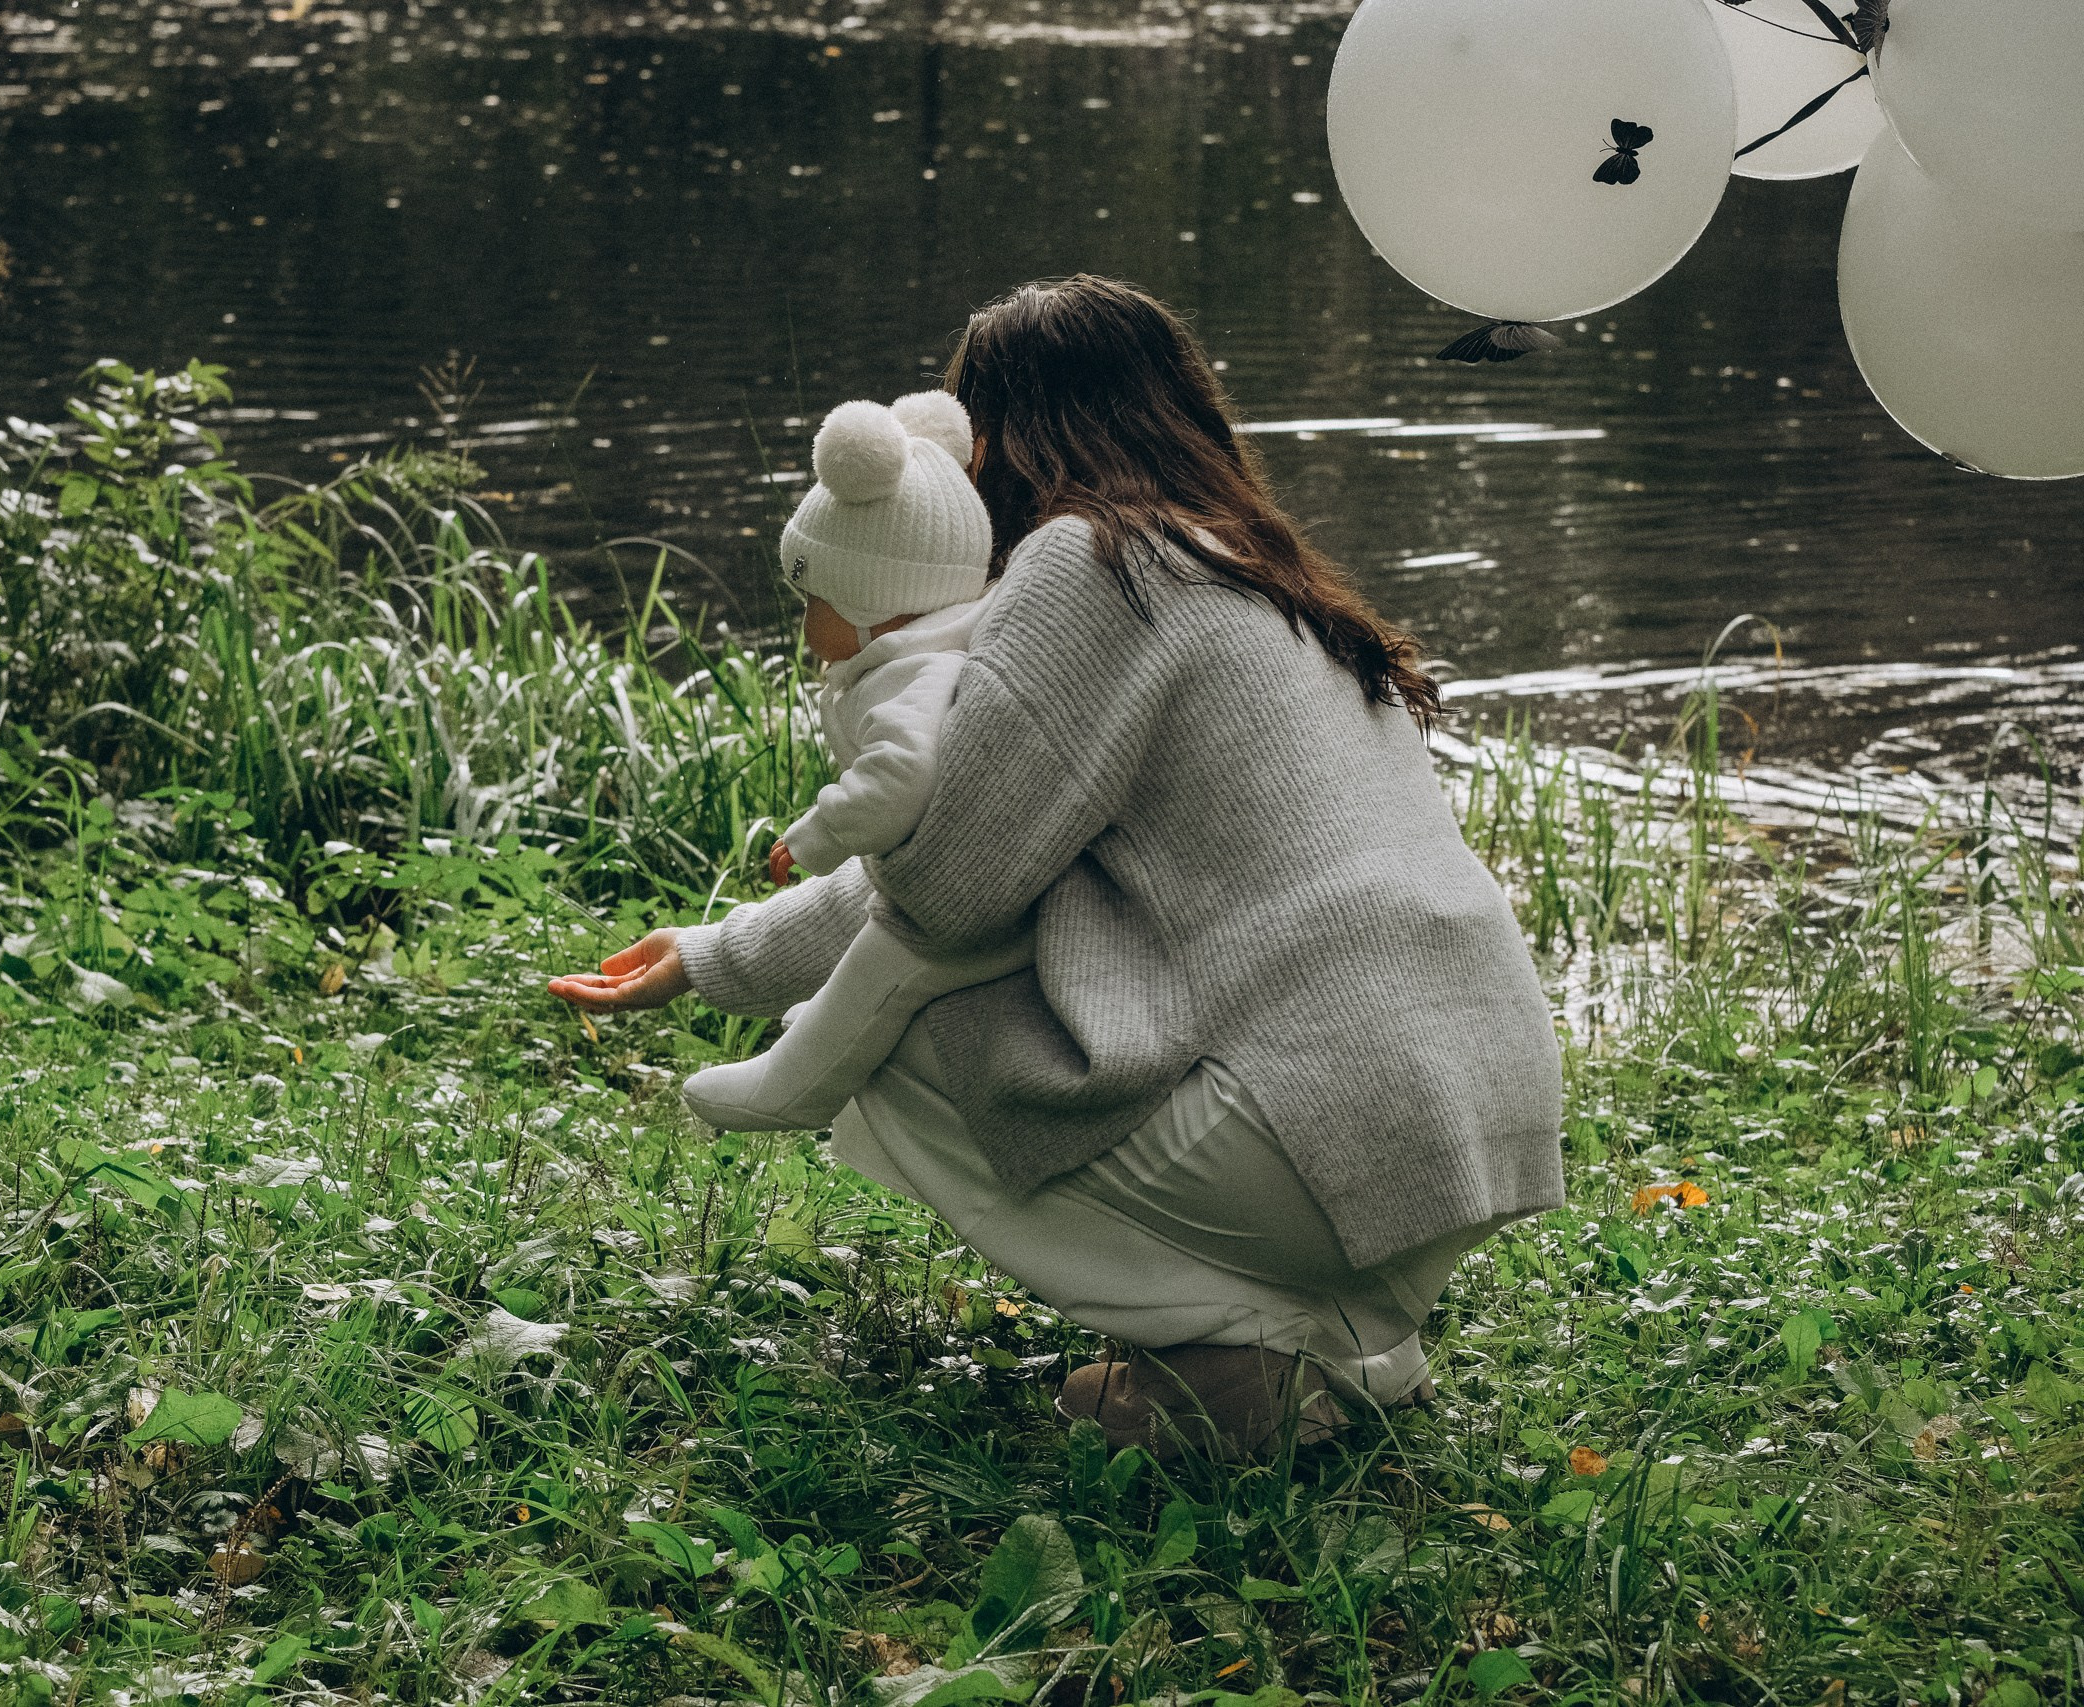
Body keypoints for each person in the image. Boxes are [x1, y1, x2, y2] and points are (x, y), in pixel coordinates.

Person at [551, 275, 1564, 1460]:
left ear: (984, 441)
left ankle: (1221, 1366)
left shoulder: (1090, 564)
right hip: (1462, 1111)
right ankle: (1342, 1344)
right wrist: (718, 956)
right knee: (983, 961)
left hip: (1309, 1128)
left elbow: (944, 888)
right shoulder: (1255, 569)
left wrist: (744, 959)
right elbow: (983, 852)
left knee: (902, 1018)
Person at [679, 390, 1033, 1134]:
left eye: (818, 598)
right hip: (961, 876)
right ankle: (806, 1059)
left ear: (885, 600)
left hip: (968, 888)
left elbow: (899, 781)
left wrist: (817, 834)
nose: (805, 619)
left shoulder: (915, 675)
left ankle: (799, 1081)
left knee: (886, 968)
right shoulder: (910, 648)